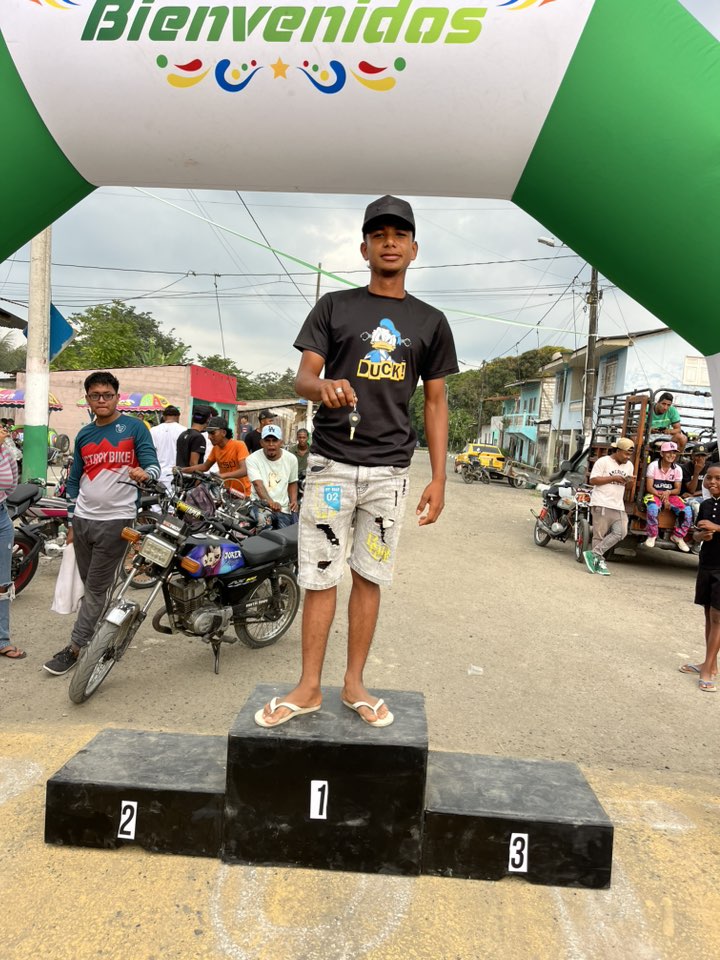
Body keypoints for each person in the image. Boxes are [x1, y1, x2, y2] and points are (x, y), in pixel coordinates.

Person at [255, 194, 458, 729]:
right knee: (320, 576)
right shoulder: (334, 307)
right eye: (378, 235)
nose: (389, 243)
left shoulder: (431, 321)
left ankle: (354, 684)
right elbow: (303, 378)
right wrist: (323, 387)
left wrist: (439, 477)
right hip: (332, 466)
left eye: (399, 235)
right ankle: (308, 688)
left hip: (390, 472)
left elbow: (436, 402)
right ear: (364, 248)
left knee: (369, 576)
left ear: (414, 249)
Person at [43, 372, 160, 676]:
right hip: (83, 519)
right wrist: (71, 521)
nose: (102, 400)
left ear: (117, 397)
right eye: (95, 395)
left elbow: (152, 463)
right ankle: (102, 628)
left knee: (96, 587)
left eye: (107, 395)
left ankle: (76, 648)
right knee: (91, 583)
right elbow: (74, 480)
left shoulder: (134, 427)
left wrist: (146, 474)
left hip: (116, 520)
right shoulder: (84, 434)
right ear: (88, 399)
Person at [680, 464, 720, 692]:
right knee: (708, 615)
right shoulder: (705, 504)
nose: (712, 482)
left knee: (717, 617)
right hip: (707, 564)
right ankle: (709, 664)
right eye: (709, 478)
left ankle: (708, 671)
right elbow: (694, 534)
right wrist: (701, 535)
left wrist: (717, 527)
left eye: (718, 478)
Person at [583, 438, 636, 576]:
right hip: (601, 503)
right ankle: (598, 562)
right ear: (617, 451)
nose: (628, 457)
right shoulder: (603, 461)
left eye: (630, 454)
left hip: (618, 505)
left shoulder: (629, 465)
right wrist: (613, 478)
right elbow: (593, 480)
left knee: (621, 532)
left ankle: (594, 554)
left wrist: (630, 482)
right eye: (626, 454)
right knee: (599, 535)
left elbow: (627, 487)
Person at [245, 424, 299, 528]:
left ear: (281, 442)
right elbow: (258, 485)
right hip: (260, 505)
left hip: (283, 508)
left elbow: (292, 482)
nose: (271, 444)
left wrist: (293, 501)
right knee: (263, 525)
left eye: (274, 440)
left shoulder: (291, 459)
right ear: (261, 443)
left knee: (286, 535)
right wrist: (271, 503)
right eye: (267, 441)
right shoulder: (252, 459)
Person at [182, 416, 251, 496]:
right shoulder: (216, 449)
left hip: (243, 494)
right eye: (208, 433)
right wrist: (183, 470)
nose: (209, 437)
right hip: (228, 493)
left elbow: (244, 470)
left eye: (212, 433)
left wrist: (221, 476)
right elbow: (205, 466)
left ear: (223, 433)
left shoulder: (239, 445)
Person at [0, 422, 23, 660]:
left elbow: (10, 483)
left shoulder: (5, 448)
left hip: (1, 518)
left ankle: (2, 639)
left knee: (2, 583)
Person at [643, 441, 692, 551]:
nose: (671, 455)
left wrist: (668, 493)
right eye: (668, 452)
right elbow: (649, 488)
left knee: (687, 511)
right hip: (654, 493)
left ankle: (678, 536)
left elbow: (677, 490)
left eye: (674, 453)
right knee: (652, 508)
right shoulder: (653, 466)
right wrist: (664, 498)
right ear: (662, 453)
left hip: (670, 495)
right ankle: (652, 535)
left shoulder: (678, 469)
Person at [150, 404, 185, 489]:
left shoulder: (153, 430)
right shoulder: (184, 431)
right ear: (178, 416)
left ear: (164, 416)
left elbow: (150, 452)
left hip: (158, 473)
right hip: (176, 474)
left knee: (156, 496)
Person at [681, 444, 710, 521]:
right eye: (697, 455)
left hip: (704, 496)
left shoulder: (710, 467)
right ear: (692, 456)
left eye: (703, 456)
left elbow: (710, 489)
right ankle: (696, 525)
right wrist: (696, 472)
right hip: (689, 498)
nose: (700, 458)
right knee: (696, 505)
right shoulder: (686, 467)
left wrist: (694, 494)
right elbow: (691, 490)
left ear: (707, 457)